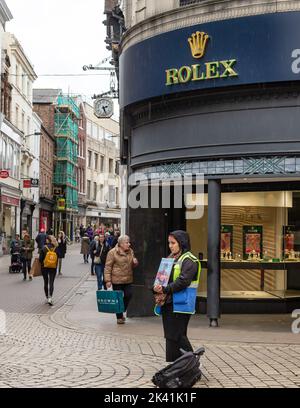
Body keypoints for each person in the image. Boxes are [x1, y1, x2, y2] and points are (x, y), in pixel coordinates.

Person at [153, 230, 201, 363]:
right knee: (170, 336)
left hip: (181, 303)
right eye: (169, 243)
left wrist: (165, 289)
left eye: (173, 243)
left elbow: (183, 281)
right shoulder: (171, 258)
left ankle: (193, 362)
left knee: (178, 335)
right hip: (169, 302)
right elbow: (163, 278)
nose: (170, 245)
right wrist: (157, 287)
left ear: (182, 243)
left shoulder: (189, 260)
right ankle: (174, 364)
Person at [104, 235, 138, 324]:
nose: (129, 244)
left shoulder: (131, 251)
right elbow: (108, 267)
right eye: (127, 242)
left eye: (129, 242)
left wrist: (135, 262)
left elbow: (133, 265)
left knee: (129, 295)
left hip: (128, 278)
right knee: (118, 298)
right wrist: (108, 280)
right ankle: (119, 317)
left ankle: (121, 310)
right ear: (121, 244)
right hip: (116, 279)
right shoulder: (112, 252)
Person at [39, 235, 59, 306]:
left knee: (46, 282)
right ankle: (50, 297)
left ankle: (47, 297)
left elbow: (40, 259)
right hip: (53, 267)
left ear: (48, 240)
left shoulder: (44, 248)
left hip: (44, 267)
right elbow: (58, 257)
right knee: (51, 282)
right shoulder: (55, 248)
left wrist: (43, 263)